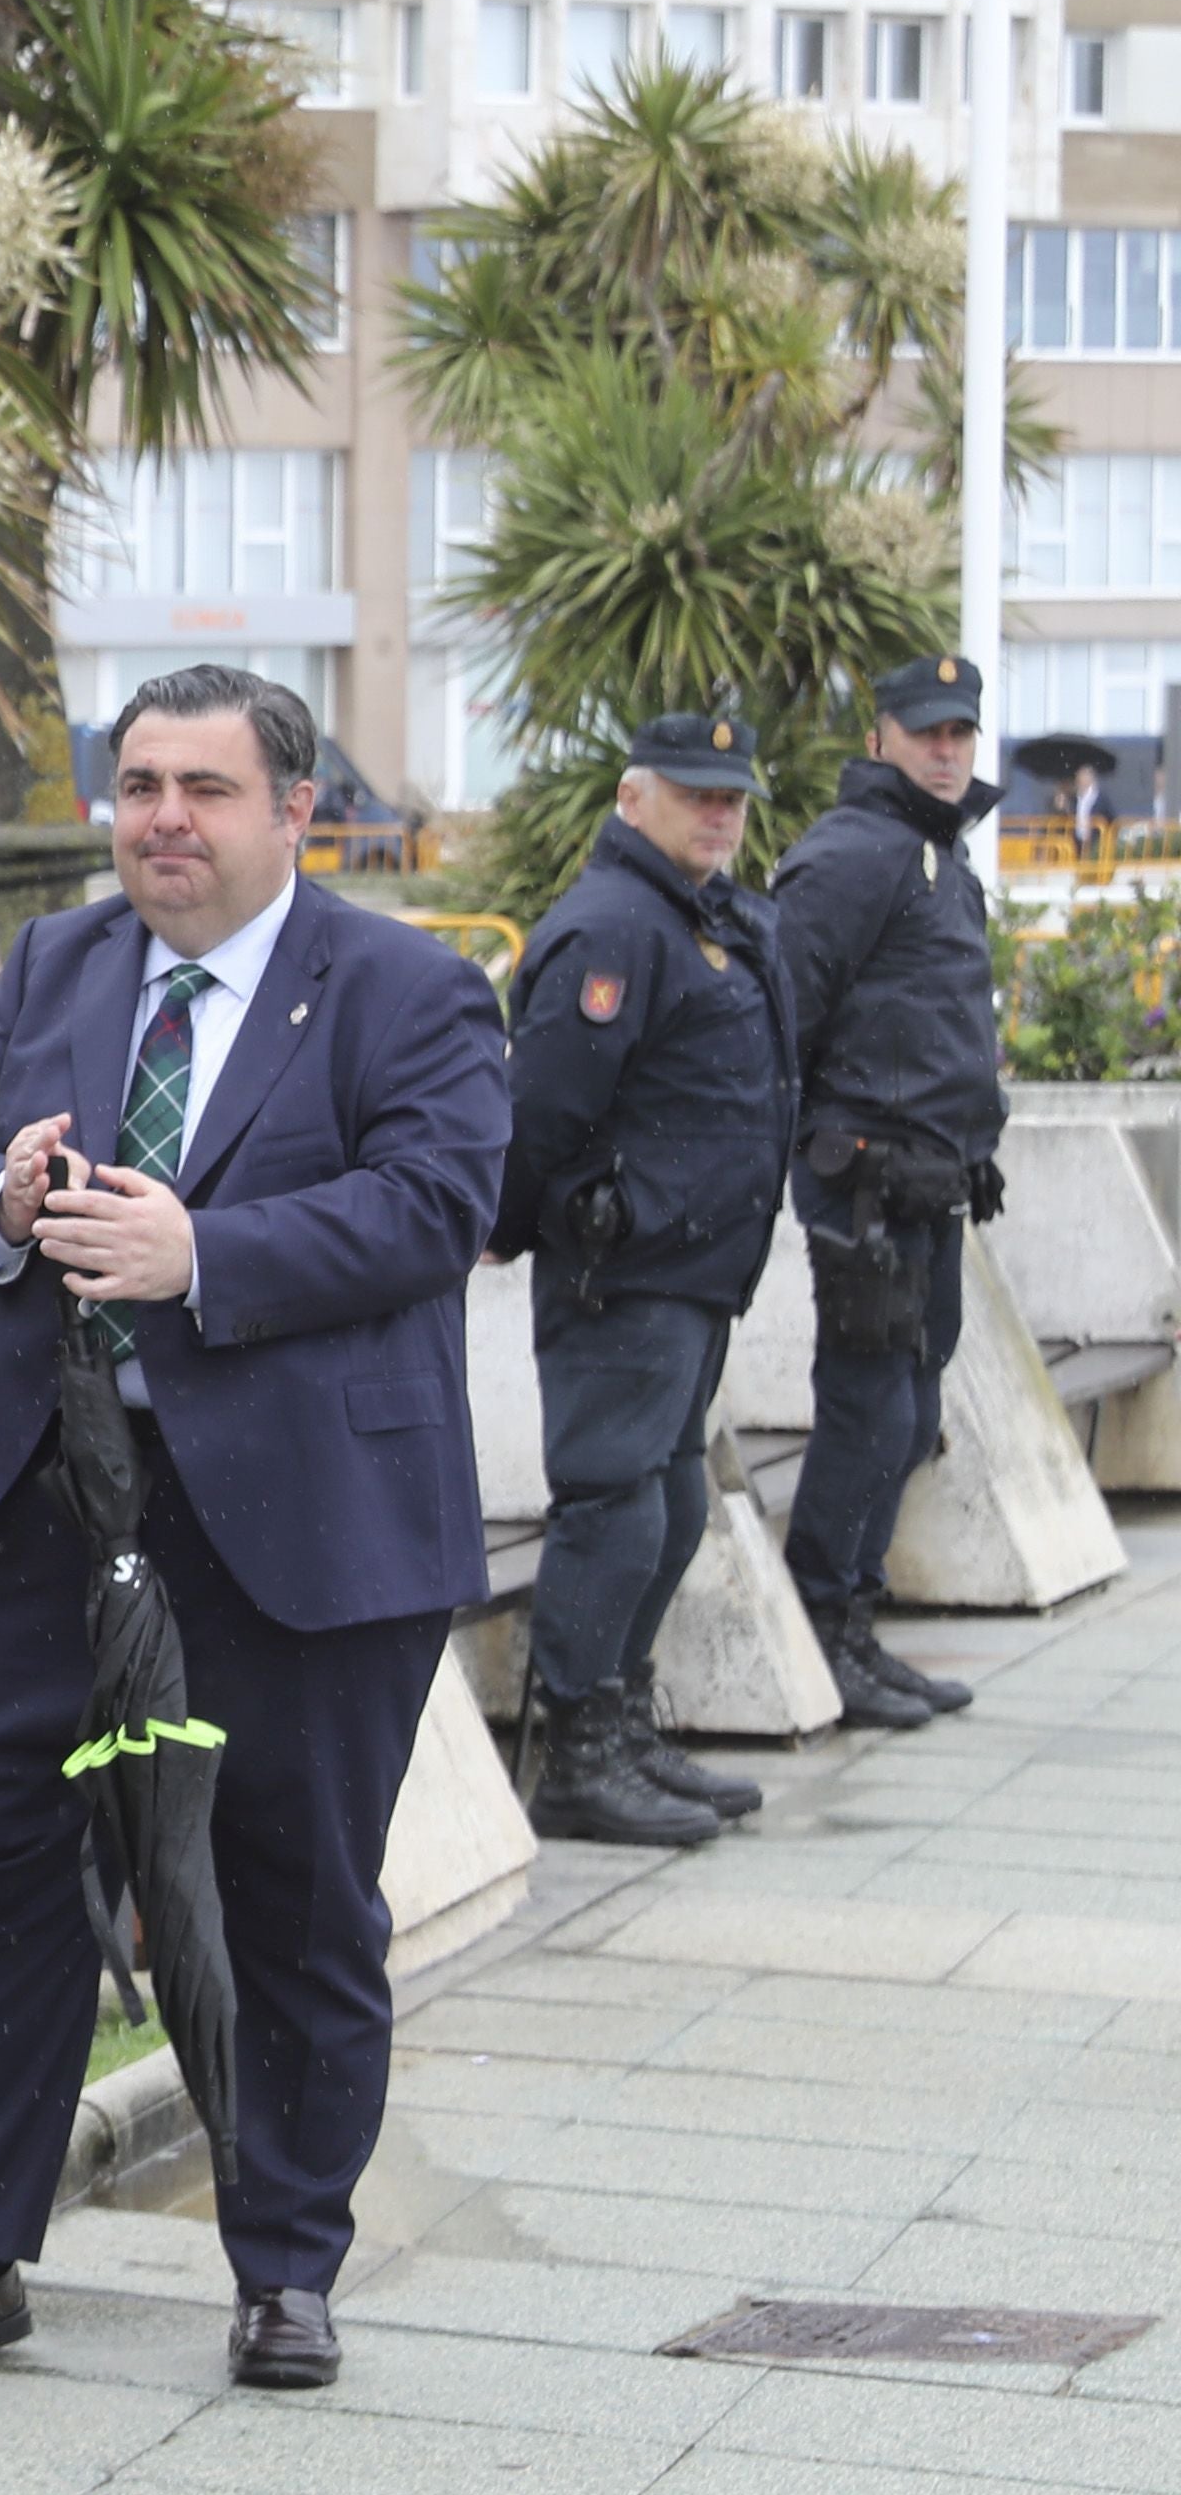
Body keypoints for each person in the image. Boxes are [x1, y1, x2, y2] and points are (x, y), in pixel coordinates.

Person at [0, 661, 508, 2397]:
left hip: (293, 1533)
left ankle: (284, 2268)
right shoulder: (60, 964)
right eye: (136, 783)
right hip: (39, 1512)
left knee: (286, 1897)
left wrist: (204, 1257)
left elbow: (435, 1201)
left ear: (293, 810)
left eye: (202, 789)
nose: (160, 818)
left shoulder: (405, 988)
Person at [495, 710, 795, 1847]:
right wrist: (509, 1226)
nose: (719, 811)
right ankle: (577, 1756)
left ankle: (619, 1725)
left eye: (732, 796)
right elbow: (545, 1110)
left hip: (692, 1270)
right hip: (623, 1274)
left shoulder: (702, 918)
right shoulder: (613, 927)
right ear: (633, 799)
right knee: (615, 1509)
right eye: (694, 792)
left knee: (667, 1508)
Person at [771, 655, 1008, 1731]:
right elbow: (788, 1021)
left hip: (932, 1180)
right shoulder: (853, 856)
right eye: (926, 733)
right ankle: (825, 1632)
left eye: (960, 732)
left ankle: (858, 1622)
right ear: (880, 741)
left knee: (909, 1414)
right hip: (861, 1182)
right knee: (870, 1415)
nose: (947, 750)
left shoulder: (938, 857)